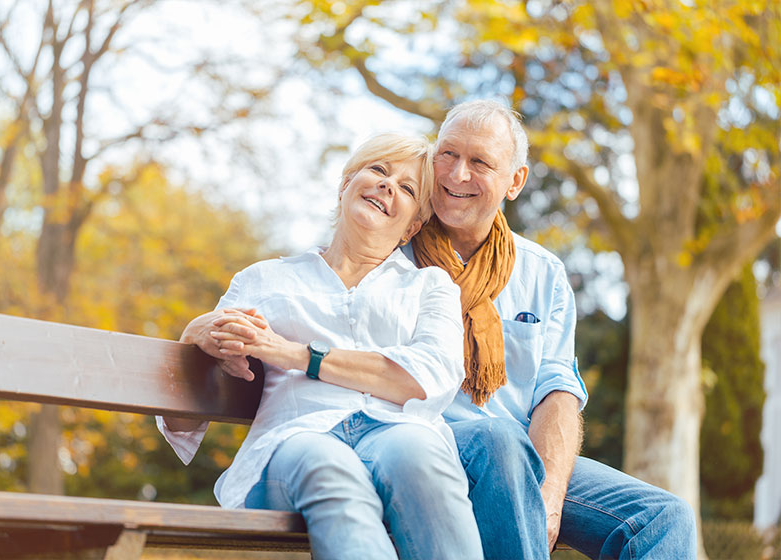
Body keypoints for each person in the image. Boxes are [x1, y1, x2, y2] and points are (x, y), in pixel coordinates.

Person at [157, 133, 483, 560]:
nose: (388, 186)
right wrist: (194, 336)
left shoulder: (430, 286)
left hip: (396, 431)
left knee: (419, 455)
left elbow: (430, 377)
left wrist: (295, 354)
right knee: (331, 469)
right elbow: (182, 425)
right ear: (346, 183)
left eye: (407, 188)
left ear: (413, 226)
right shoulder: (264, 280)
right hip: (295, 440)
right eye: (379, 171)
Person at [404, 99, 697, 559]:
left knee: (663, 517)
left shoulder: (543, 273)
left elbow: (556, 391)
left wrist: (551, 492)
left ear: (515, 182)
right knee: (498, 442)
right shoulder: (392, 250)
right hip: (425, 444)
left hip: (522, 455)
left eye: (479, 161)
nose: (457, 174)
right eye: (447, 153)